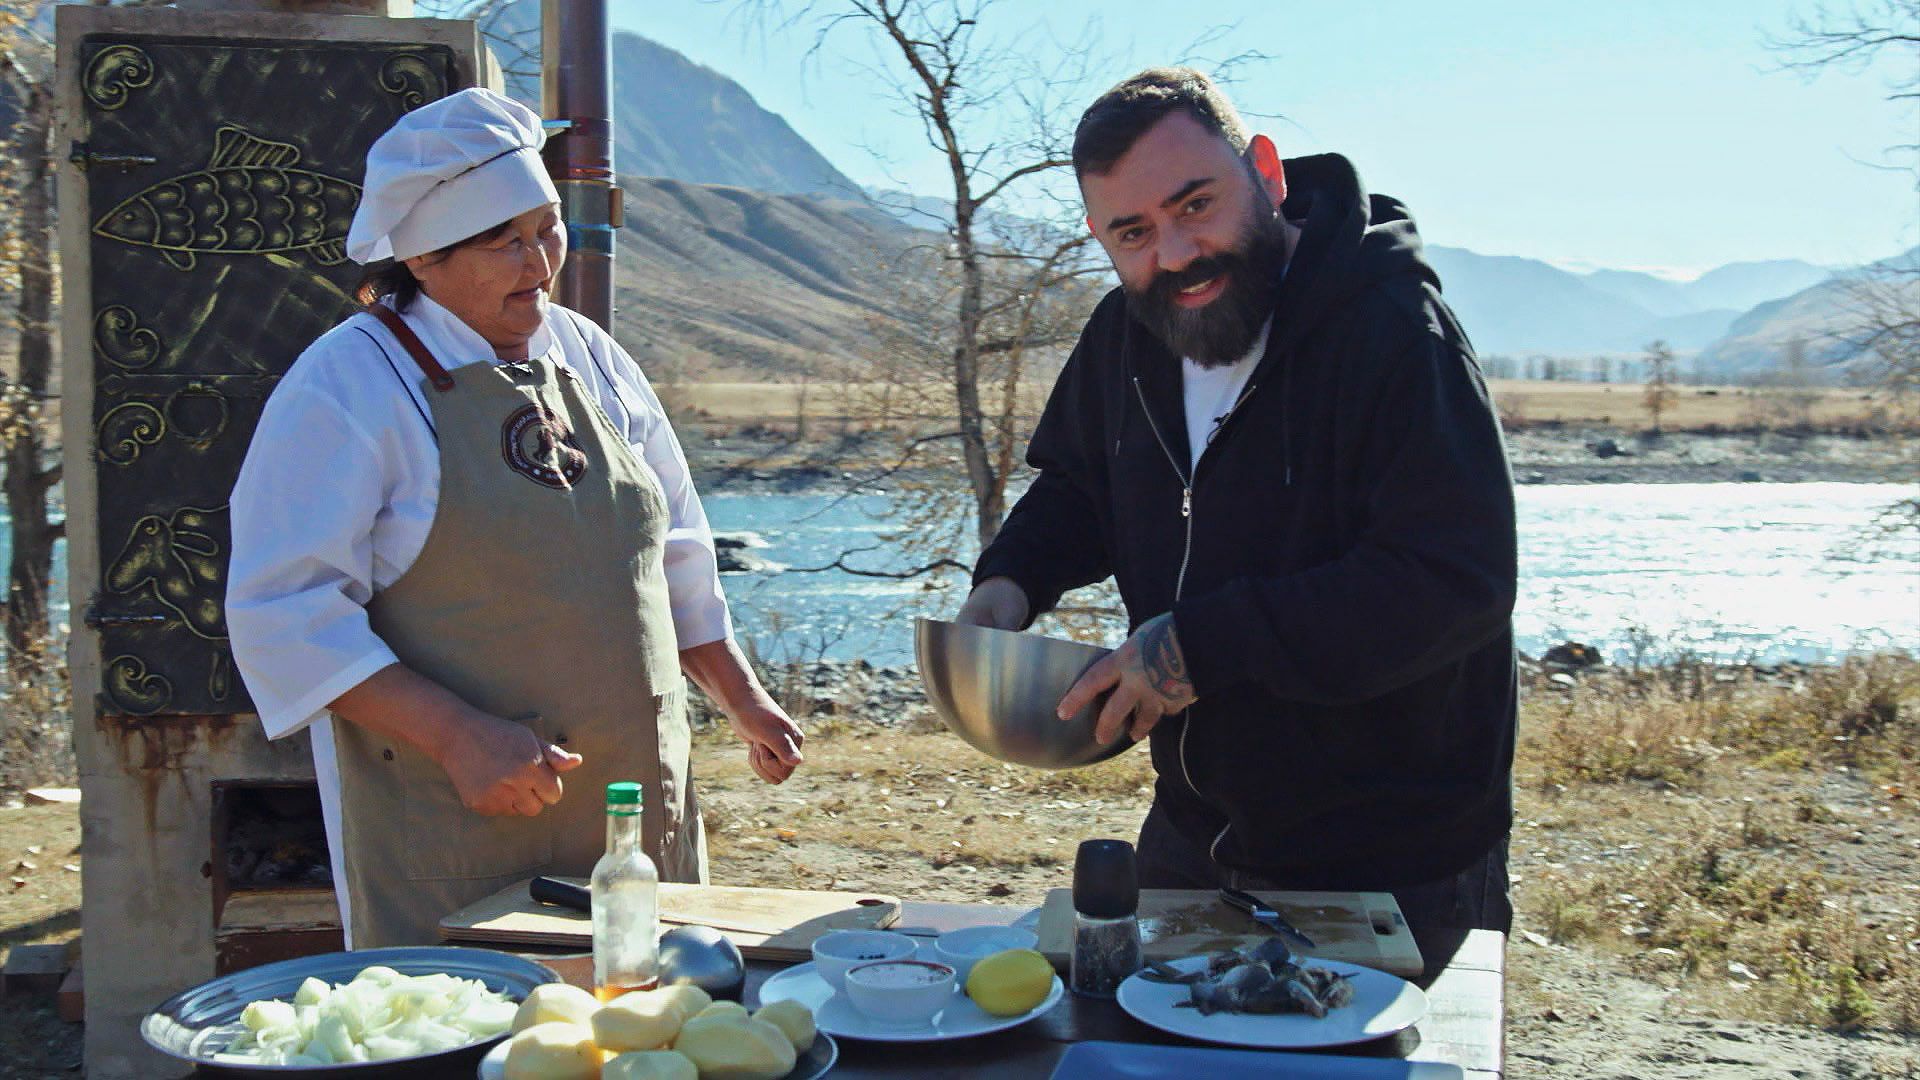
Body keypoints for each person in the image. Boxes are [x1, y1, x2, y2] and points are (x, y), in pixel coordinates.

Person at [227, 88, 804, 948]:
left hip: (634, 812)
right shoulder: (345, 387)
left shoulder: (590, 354)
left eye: (547, 228)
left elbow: (672, 546)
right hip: (456, 829)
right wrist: (457, 736)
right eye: (507, 241)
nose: (541, 261)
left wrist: (739, 693)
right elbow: (284, 614)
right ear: (423, 259)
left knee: (649, 1037)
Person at [955, 68, 1516, 937]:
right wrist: (1012, 581)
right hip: (1193, 833)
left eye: (1194, 206)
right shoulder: (1125, 334)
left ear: (1266, 170)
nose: (1174, 254)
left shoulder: (1396, 332)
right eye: (1133, 232)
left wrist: (1196, 645)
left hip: (1393, 859)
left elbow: (1452, 582)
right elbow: (1078, 488)